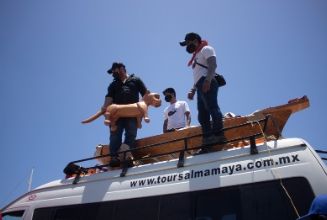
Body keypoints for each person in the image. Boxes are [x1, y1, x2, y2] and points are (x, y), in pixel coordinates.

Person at [180, 32, 225, 154]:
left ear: (195, 40)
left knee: (212, 108)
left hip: (207, 82)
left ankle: (219, 135)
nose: (187, 46)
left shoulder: (206, 49)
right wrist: (193, 90)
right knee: (202, 115)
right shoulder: (196, 56)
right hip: (200, 85)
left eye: (187, 43)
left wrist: (208, 80)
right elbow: (198, 75)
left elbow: (213, 64)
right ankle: (208, 141)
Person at [102, 62, 149, 167]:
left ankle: (125, 153)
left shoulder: (135, 79)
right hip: (116, 113)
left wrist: (142, 111)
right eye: (112, 72)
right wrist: (105, 109)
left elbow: (145, 95)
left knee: (131, 133)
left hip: (132, 112)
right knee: (115, 134)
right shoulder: (113, 84)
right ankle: (114, 157)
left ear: (122, 68)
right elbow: (109, 98)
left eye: (114, 70)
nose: (113, 73)